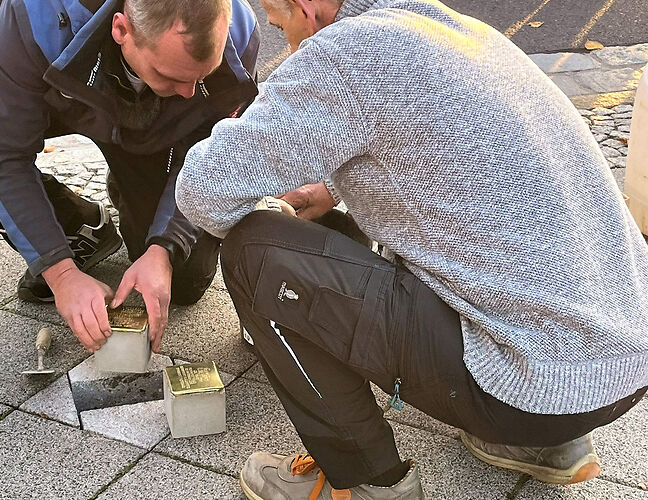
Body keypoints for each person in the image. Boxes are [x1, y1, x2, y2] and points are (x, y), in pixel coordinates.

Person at [175, 0, 648, 498]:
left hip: (533, 391)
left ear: (307, 8)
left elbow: (205, 189)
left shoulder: (347, 52)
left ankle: (366, 482)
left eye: (281, 25)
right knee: (342, 229)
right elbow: (443, 153)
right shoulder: (446, 26)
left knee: (254, 251)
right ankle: (543, 444)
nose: (288, 45)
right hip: (619, 367)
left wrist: (269, 198)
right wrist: (328, 190)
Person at [0, 0, 260, 353]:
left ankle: (134, 191)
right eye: (169, 74)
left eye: (202, 77)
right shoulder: (38, 13)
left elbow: (213, 154)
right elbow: (3, 152)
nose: (189, 91)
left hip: (160, 131)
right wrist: (60, 273)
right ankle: (78, 228)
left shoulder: (237, 30)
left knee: (180, 279)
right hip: (65, 84)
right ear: (121, 28)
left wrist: (163, 247)